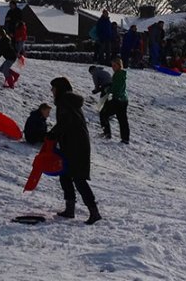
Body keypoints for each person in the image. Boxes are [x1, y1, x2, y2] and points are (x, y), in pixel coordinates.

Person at [48, 77, 100, 224]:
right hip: (72, 143)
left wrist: (53, 134)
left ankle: (94, 212)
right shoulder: (67, 101)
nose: (52, 91)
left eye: (53, 88)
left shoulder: (65, 101)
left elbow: (65, 122)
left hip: (77, 145)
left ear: (59, 88)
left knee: (78, 178)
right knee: (65, 175)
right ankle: (70, 209)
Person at [103, 57, 130, 143]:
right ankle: (125, 138)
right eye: (112, 66)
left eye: (114, 65)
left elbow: (116, 88)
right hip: (123, 99)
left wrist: (108, 90)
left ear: (119, 65)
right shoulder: (121, 74)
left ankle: (107, 133)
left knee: (104, 113)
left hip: (118, 100)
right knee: (122, 119)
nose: (113, 67)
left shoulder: (118, 75)